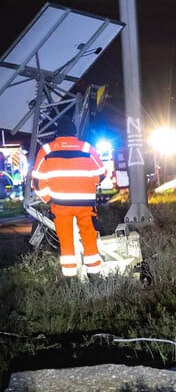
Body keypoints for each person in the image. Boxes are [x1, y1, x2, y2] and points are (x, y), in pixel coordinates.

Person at [31, 118, 106, 279]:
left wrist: (48, 199)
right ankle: (94, 272)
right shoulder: (87, 148)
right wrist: (89, 183)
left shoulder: (46, 150)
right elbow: (101, 173)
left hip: (60, 204)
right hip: (85, 203)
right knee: (88, 234)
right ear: (74, 132)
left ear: (58, 133)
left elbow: (37, 181)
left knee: (65, 238)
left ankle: (70, 275)